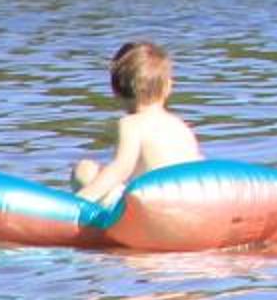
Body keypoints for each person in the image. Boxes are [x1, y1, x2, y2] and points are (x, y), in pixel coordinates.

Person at [71, 40, 202, 202]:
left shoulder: (131, 124)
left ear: (115, 91)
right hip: (192, 204)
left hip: (156, 208)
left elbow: (121, 168)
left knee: (85, 170)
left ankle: (87, 212)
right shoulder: (181, 126)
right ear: (168, 87)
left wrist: (77, 202)